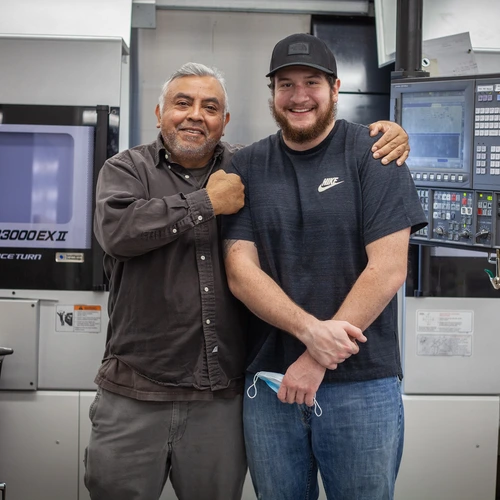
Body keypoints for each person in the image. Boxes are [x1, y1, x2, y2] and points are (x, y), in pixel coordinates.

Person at [84, 60, 412, 500]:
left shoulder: (247, 165)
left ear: (225, 121)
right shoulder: (126, 169)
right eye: (182, 103)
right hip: (135, 391)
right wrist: (204, 203)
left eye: (210, 106)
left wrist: (392, 132)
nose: (195, 115)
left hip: (219, 397)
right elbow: (118, 233)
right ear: (159, 112)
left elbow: (309, 145)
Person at [222, 34, 428, 500]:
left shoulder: (374, 154)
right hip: (271, 385)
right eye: (286, 84)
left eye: (311, 82)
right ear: (271, 92)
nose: (298, 96)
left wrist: (317, 356)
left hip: (363, 384)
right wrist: (311, 332)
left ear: (335, 88)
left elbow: (388, 269)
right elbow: (241, 271)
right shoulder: (248, 165)